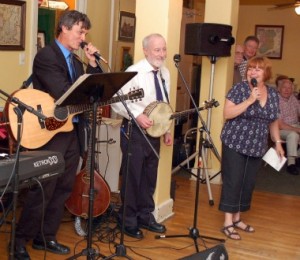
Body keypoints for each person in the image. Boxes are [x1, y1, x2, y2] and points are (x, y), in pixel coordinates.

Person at [13, 10, 103, 259]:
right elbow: (64, 93)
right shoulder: (47, 56)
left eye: (85, 32)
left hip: (71, 129)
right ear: (64, 28)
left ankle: (46, 237)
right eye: (80, 31)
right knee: (44, 187)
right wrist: (84, 93)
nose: (83, 37)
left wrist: (93, 65)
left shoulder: (76, 61)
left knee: (63, 186)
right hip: (49, 133)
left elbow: (95, 92)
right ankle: (19, 240)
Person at [111, 33, 173, 239]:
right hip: (134, 132)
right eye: (157, 50)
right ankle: (127, 220)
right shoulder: (134, 71)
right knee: (133, 176)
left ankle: (145, 216)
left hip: (156, 132)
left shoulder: (166, 73)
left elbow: (165, 104)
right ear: (146, 50)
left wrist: (167, 129)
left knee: (149, 176)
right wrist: (137, 115)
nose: (162, 54)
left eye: (164, 49)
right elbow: (116, 100)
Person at [219, 56, 284, 240]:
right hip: (235, 142)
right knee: (233, 181)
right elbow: (227, 113)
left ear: (266, 73)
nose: (252, 72)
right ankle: (227, 223)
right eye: (250, 68)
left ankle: (238, 218)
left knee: (247, 183)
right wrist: (248, 101)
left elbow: (272, 121)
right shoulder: (239, 89)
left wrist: (278, 143)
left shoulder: (272, 94)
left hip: (257, 145)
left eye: (258, 69)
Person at [276, 76, 300, 175]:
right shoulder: (276, 101)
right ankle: (291, 164)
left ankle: (297, 157)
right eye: (284, 87)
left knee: (295, 133)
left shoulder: (293, 98)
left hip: (295, 125)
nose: (287, 90)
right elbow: (280, 125)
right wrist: (297, 129)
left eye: (289, 88)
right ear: (279, 89)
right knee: (293, 135)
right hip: (280, 129)